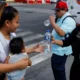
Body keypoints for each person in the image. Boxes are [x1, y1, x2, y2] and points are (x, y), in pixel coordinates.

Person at [0, 3, 43, 80]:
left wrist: (32, 49)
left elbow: (17, 50)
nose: (19, 25)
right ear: (7, 23)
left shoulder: (12, 34)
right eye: (17, 22)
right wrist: (17, 66)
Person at [49, 1, 76, 80]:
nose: (55, 12)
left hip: (61, 50)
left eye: (57, 10)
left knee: (59, 71)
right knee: (57, 70)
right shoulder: (61, 17)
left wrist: (53, 23)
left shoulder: (69, 20)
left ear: (63, 9)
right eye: (55, 10)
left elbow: (61, 33)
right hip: (58, 48)